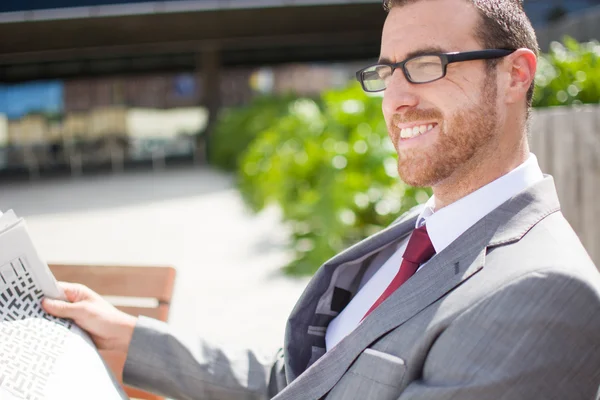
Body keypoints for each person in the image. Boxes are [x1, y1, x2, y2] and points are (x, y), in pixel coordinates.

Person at [43, 0, 600, 399]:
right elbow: (299, 381)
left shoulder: (544, 291)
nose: (397, 100)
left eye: (427, 66)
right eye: (387, 72)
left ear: (515, 75)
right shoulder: (423, 232)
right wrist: (129, 339)